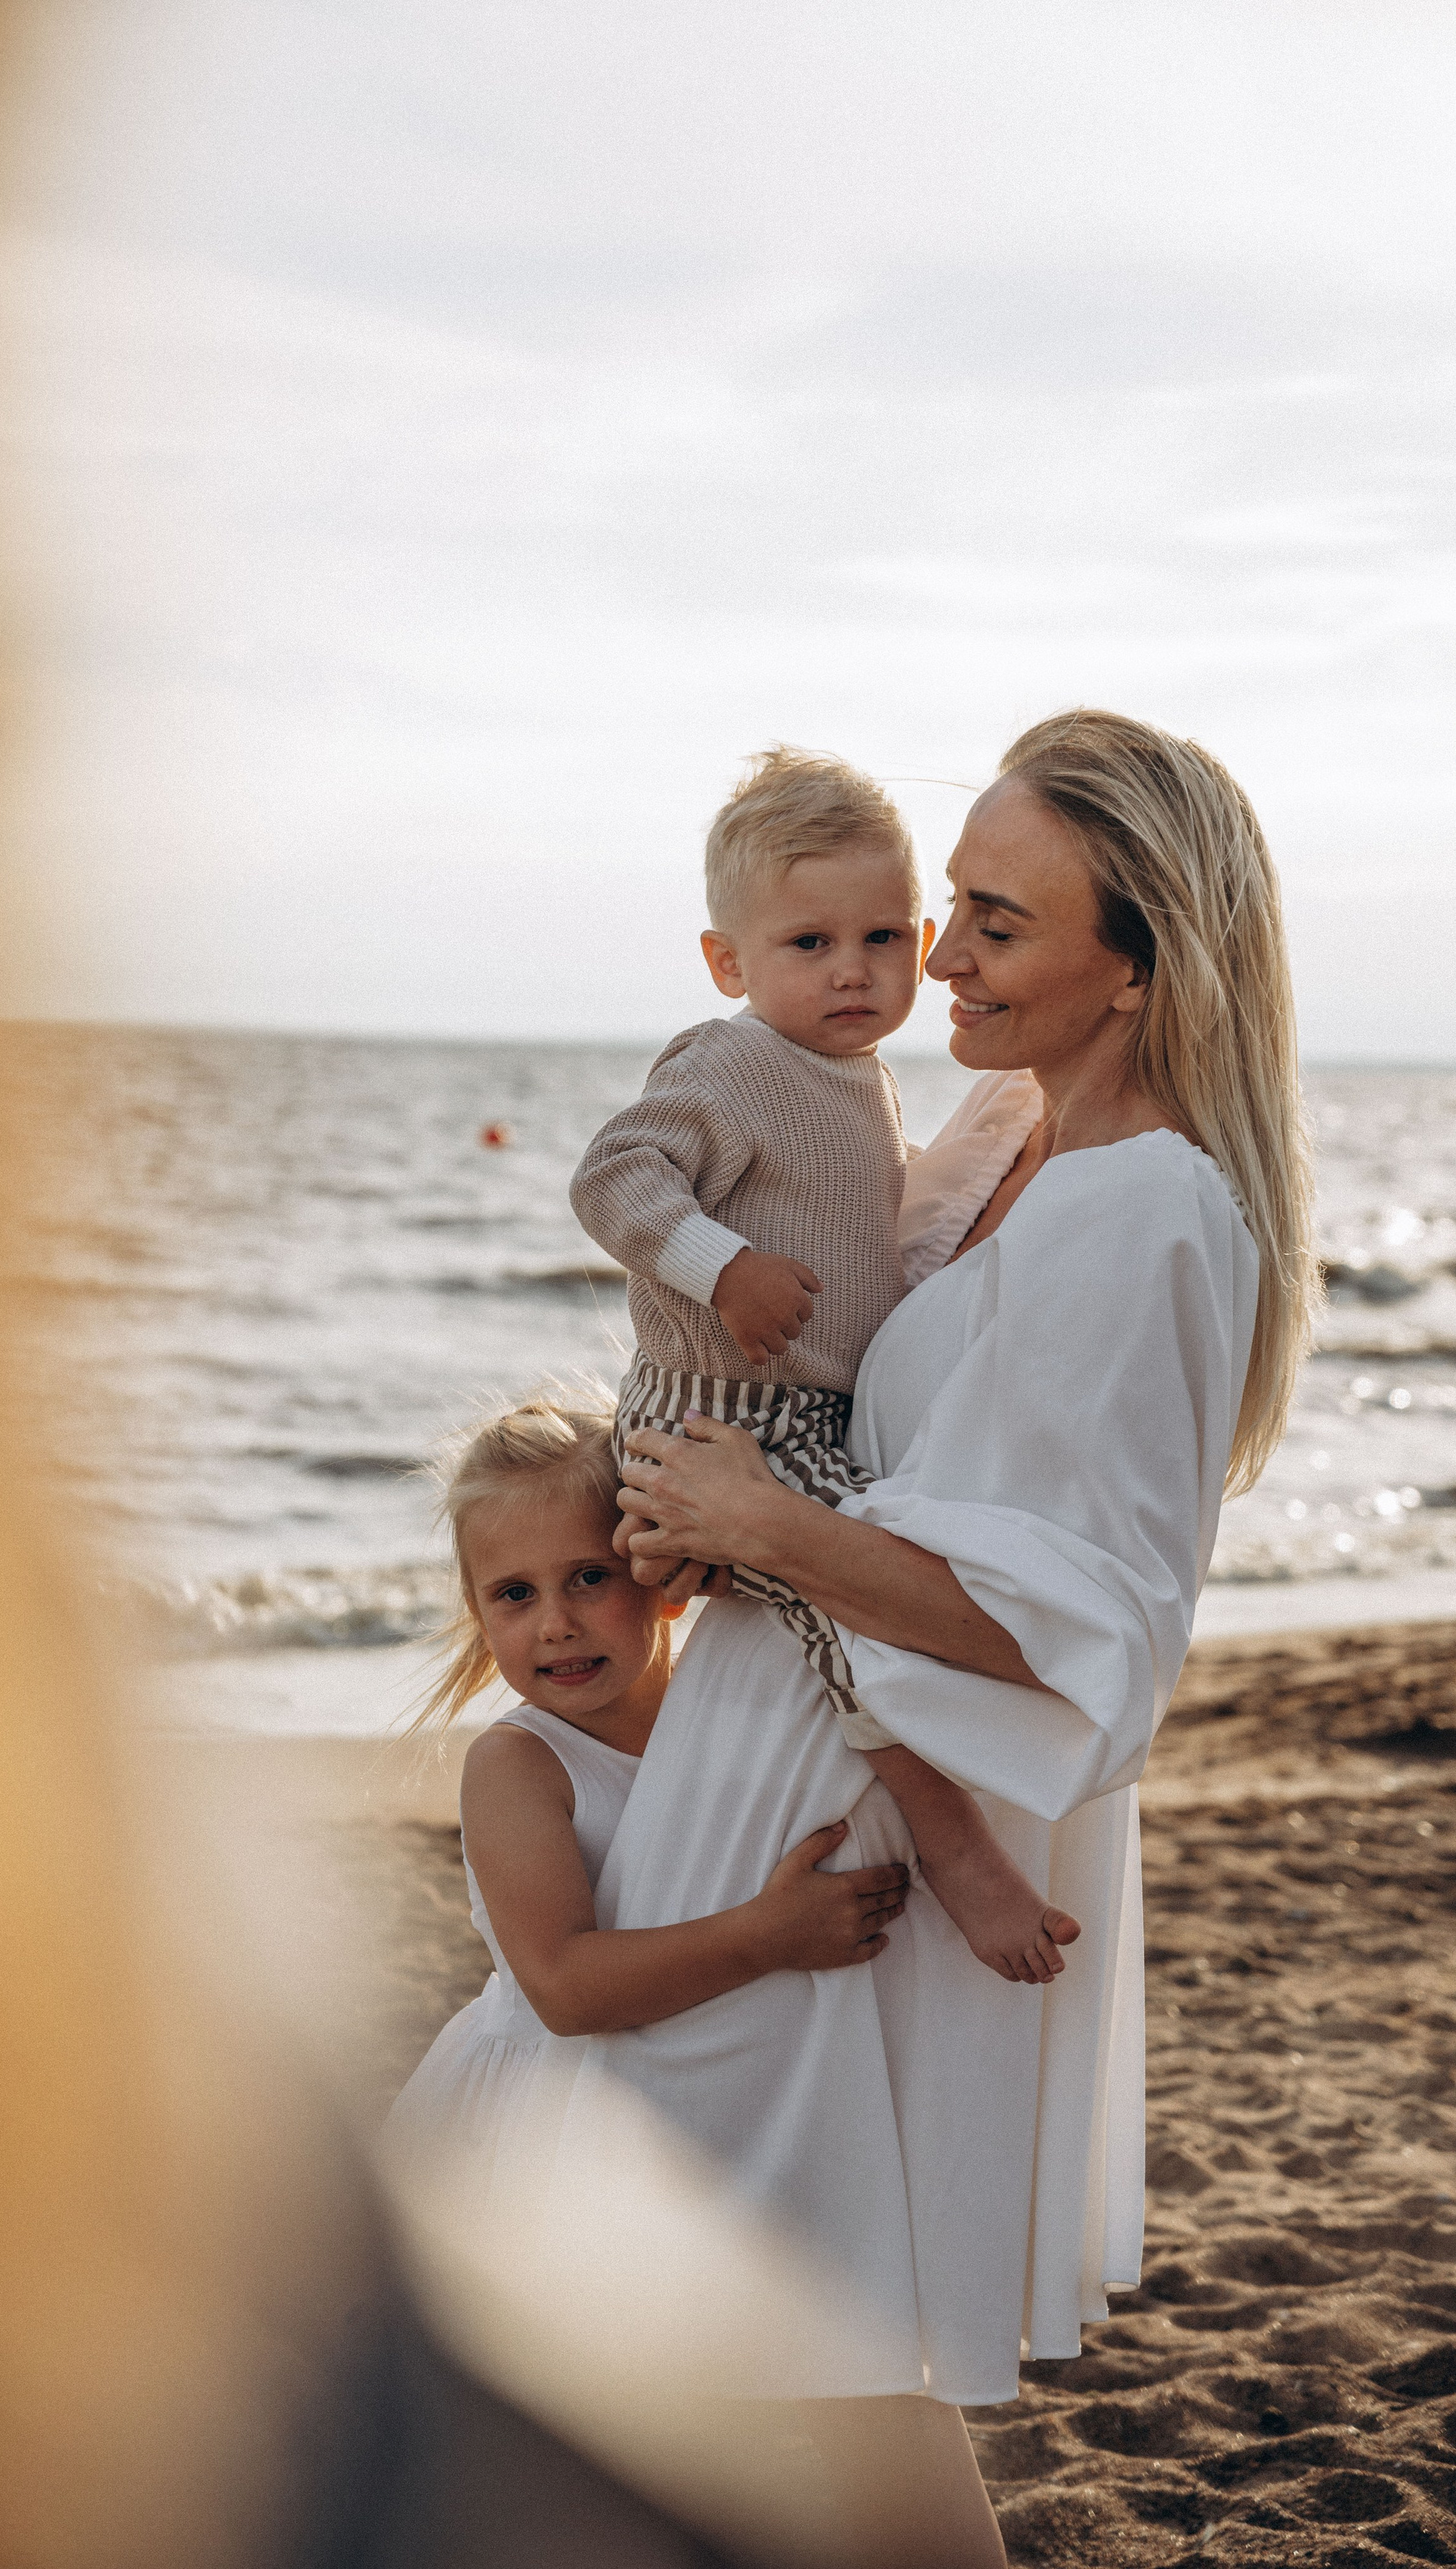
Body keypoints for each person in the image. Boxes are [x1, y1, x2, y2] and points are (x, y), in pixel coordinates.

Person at [558, 708, 1317, 2568]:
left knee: (788, 2343)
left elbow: (1089, 1632)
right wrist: (696, 1523)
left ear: (1135, 968)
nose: (936, 958)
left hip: (879, 1819)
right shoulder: (1003, 1139)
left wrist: (762, 1523)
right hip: (793, 1741)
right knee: (769, 2348)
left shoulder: (1145, 1209)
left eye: (993, 921)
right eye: (947, 906)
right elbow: (873, 1437)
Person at [571, 747, 1081, 1984]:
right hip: (722, 1412)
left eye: (880, 938)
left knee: (873, 1587)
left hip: (797, 1412)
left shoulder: (861, 1078)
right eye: (809, 943)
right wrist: (724, 1266)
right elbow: (613, 1176)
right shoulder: (731, 1059)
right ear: (728, 962)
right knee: (857, 1613)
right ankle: (955, 1845)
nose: (852, 969)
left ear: (920, 940)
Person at [387, 1395, 907, 2192]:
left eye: (589, 1577)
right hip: (551, 2111)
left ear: (664, 1572)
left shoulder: (726, 1708)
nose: (555, 1623)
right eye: (514, 1594)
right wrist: (768, 1935)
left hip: (695, 2091)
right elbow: (562, 1987)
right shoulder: (519, 1764)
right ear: (479, 1614)